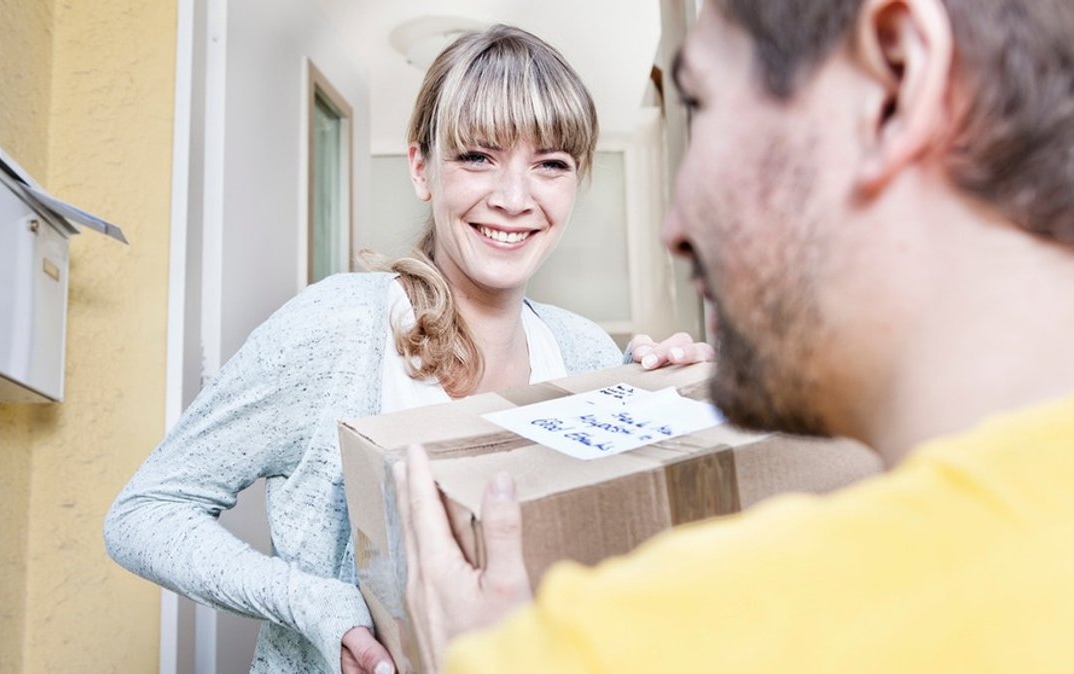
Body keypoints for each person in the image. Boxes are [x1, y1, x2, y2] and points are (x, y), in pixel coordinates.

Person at [397, 0, 1074, 671]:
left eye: (701, 104)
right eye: (477, 156)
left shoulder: (598, 650)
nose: (674, 227)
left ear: (895, 83)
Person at [104, 24, 709, 674]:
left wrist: (679, 401)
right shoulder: (337, 330)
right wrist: (319, 605)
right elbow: (144, 513)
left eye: (551, 163)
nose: (513, 198)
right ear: (421, 169)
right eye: (477, 156)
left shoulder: (587, 350)